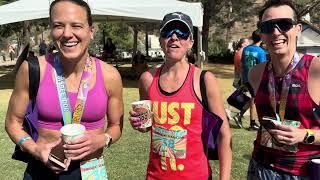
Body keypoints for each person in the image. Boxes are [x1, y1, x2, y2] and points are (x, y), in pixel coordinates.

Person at [5, 0, 123, 179]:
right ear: (51, 30)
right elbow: (12, 122)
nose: (67, 34)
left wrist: (102, 139)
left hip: (91, 172)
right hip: (41, 171)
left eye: (76, 25)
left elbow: (116, 126)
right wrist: (35, 149)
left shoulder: (110, 75)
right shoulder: (32, 69)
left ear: (91, 31)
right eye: (59, 26)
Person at [129, 12, 232, 180]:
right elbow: (147, 126)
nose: (175, 37)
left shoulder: (204, 80)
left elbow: (224, 134)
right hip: (156, 175)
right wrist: (139, 124)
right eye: (168, 31)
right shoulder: (147, 79)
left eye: (182, 32)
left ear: (191, 42)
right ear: (161, 40)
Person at [247, 0, 320, 179]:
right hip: (260, 168)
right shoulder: (255, 74)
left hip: (302, 171)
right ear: (261, 34)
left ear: (298, 29)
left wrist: (305, 135)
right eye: (268, 27)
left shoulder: (316, 70)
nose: (275, 32)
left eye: (284, 24)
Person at [240, 30, 267, 131]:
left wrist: (242, 79)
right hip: (256, 80)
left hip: (247, 78)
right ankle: (252, 123)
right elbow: (263, 68)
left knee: (253, 100)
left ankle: (242, 115)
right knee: (254, 101)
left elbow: (242, 65)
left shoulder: (246, 49)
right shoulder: (261, 52)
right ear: (262, 38)